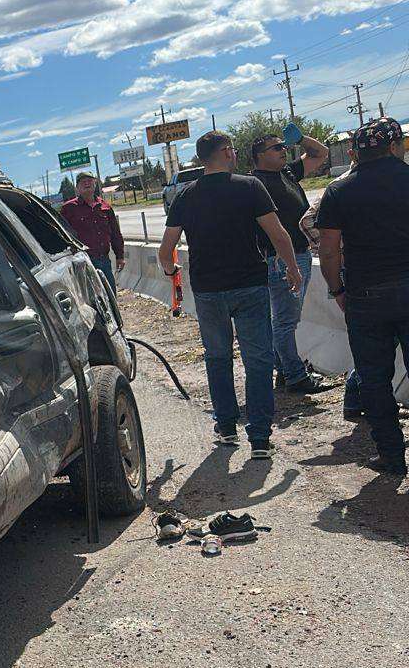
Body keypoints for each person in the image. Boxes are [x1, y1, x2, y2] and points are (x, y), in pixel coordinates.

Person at [158, 130, 304, 460]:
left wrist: (172, 275)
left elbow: (166, 251)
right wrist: (292, 269)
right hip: (250, 285)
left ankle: (226, 428)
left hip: (208, 291)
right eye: (233, 150)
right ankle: (260, 439)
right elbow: (278, 234)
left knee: (218, 358)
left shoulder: (185, 196)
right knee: (258, 360)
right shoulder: (249, 186)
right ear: (226, 152)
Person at [315, 116, 409, 476]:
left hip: (365, 296)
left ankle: (391, 455)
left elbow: (329, 250)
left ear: (356, 152)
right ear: (394, 145)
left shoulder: (339, 191)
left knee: (374, 379)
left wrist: (337, 288)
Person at [249, 124, 330, 394]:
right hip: (282, 259)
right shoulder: (255, 184)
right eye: (277, 148)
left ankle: (285, 370)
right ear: (260, 155)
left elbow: (321, 153)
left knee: (284, 320)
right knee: (285, 321)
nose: (283, 150)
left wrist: (301, 139)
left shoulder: (286, 173)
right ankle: (295, 376)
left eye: (284, 146)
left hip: (299, 254)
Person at [60, 171, 126, 286]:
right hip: (82, 264)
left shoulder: (105, 207)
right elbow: (61, 235)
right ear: (77, 188)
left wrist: (120, 256)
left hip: (104, 261)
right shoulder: (68, 208)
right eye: (83, 182)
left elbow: (115, 234)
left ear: (95, 184)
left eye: (89, 181)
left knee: (110, 297)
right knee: (91, 300)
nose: (87, 184)